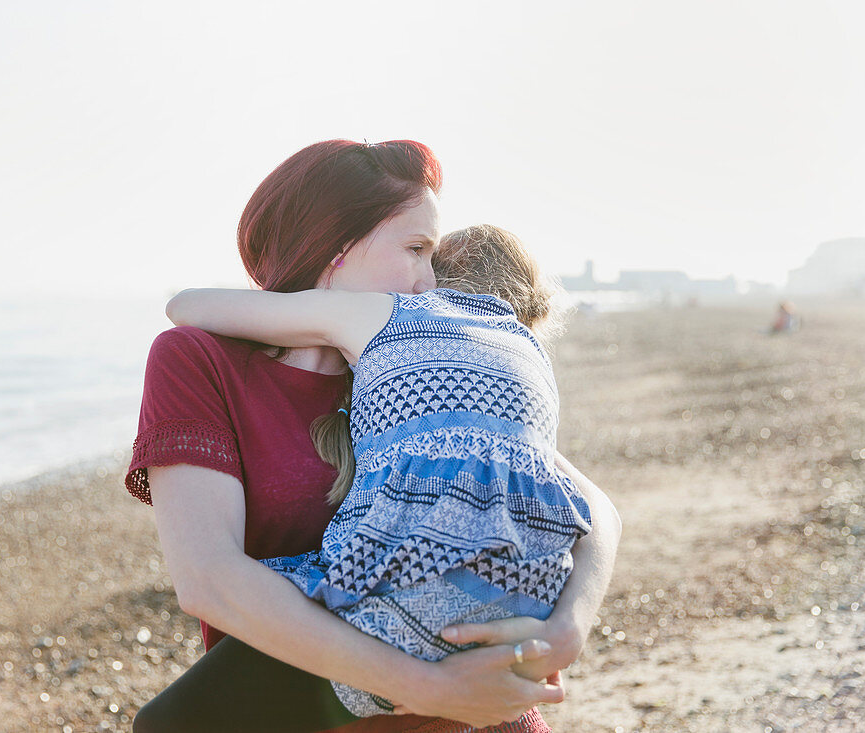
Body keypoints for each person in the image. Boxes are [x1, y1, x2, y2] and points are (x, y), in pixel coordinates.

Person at [126, 140, 621, 732]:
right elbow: (208, 579)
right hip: (320, 713)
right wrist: (428, 686)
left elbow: (593, 507)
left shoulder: (411, 367)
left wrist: (569, 626)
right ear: (336, 247)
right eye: (416, 249)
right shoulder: (201, 362)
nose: (430, 278)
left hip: (482, 715)